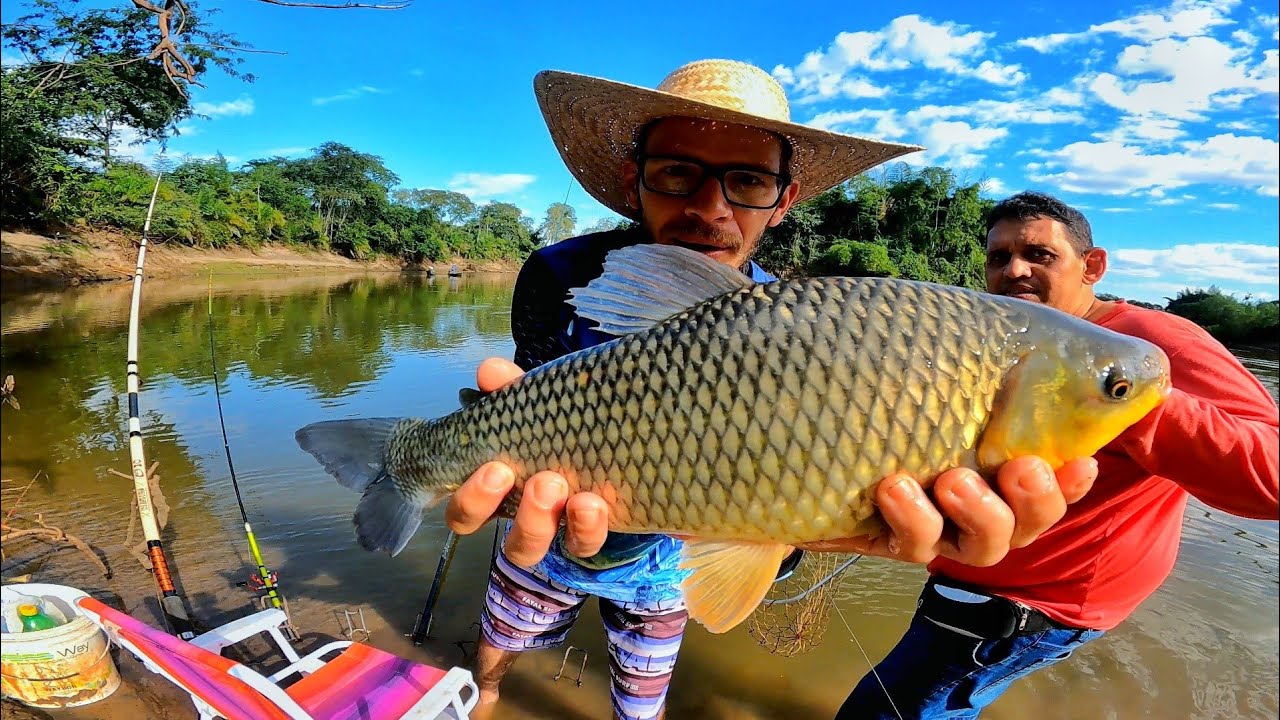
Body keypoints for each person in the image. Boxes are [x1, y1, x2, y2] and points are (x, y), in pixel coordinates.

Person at [442, 59, 1101, 720]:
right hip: (550, 531)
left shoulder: (809, 328)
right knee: (504, 635)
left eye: (748, 181)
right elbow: (525, 399)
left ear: (783, 201)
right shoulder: (555, 272)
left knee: (640, 697)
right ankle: (490, 693)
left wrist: (805, 532)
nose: (708, 209)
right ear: (633, 179)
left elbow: (798, 467)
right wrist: (497, 481)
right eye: (677, 172)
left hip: (680, 558)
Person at [833, 190, 1280, 719]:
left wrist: (1111, 397)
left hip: (1034, 606)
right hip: (961, 570)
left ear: (1092, 266)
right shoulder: (983, 331)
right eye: (999, 257)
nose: (1015, 269)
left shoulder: (1154, 343)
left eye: (1039, 255)